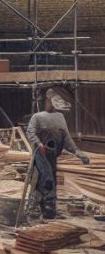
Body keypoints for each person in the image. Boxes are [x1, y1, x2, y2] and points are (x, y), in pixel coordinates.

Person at [26, 88, 90, 219]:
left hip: (52, 154)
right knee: (45, 179)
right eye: (48, 101)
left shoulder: (60, 117)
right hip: (41, 153)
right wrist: (39, 145)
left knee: (50, 180)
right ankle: (33, 208)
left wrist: (78, 152)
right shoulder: (37, 117)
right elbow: (30, 133)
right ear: (46, 101)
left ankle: (48, 210)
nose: (49, 104)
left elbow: (66, 138)